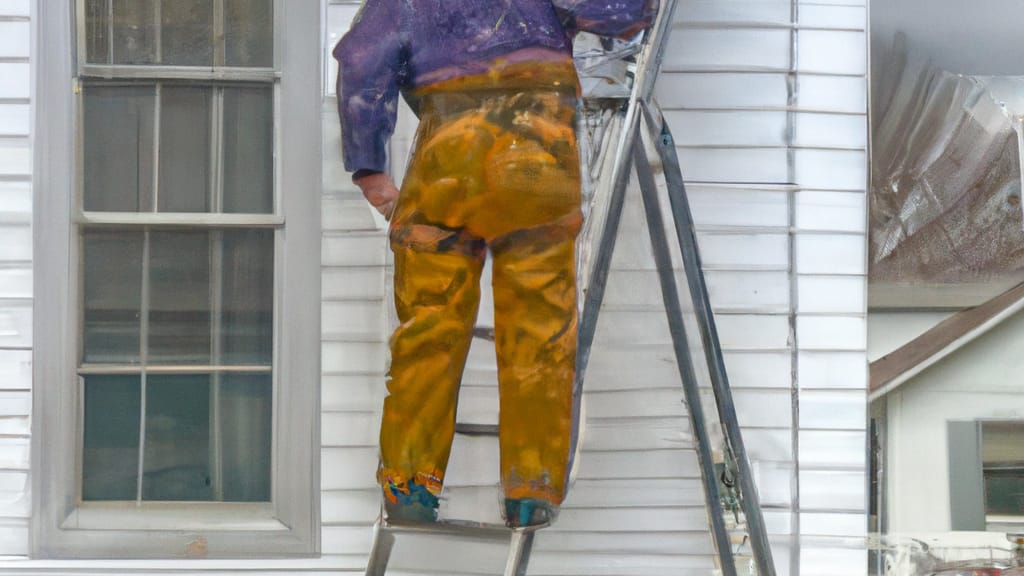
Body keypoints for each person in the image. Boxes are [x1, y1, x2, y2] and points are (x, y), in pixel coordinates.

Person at [334, 0, 657, 527]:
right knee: (539, 331)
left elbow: (361, 63)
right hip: (537, 154)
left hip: (447, 158)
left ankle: (409, 487)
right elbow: (619, 14)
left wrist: (371, 171)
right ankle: (532, 491)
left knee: (428, 329)